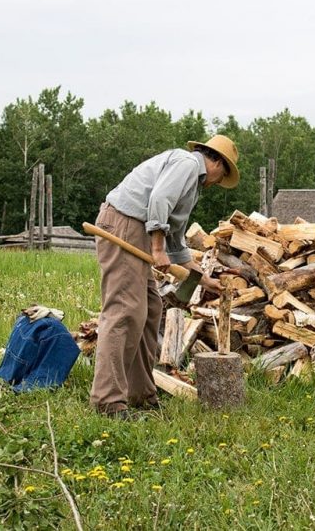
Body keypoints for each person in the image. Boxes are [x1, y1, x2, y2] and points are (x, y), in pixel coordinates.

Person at [89, 135, 240, 418]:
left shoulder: (192, 183)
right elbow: (158, 200)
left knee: (150, 309)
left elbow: (175, 237)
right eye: (223, 175)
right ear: (216, 161)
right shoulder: (186, 164)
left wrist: (201, 277)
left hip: (136, 229)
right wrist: (156, 248)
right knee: (125, 309)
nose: (220, 182)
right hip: (123, 224)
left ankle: (141, 394)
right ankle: (108, 402)